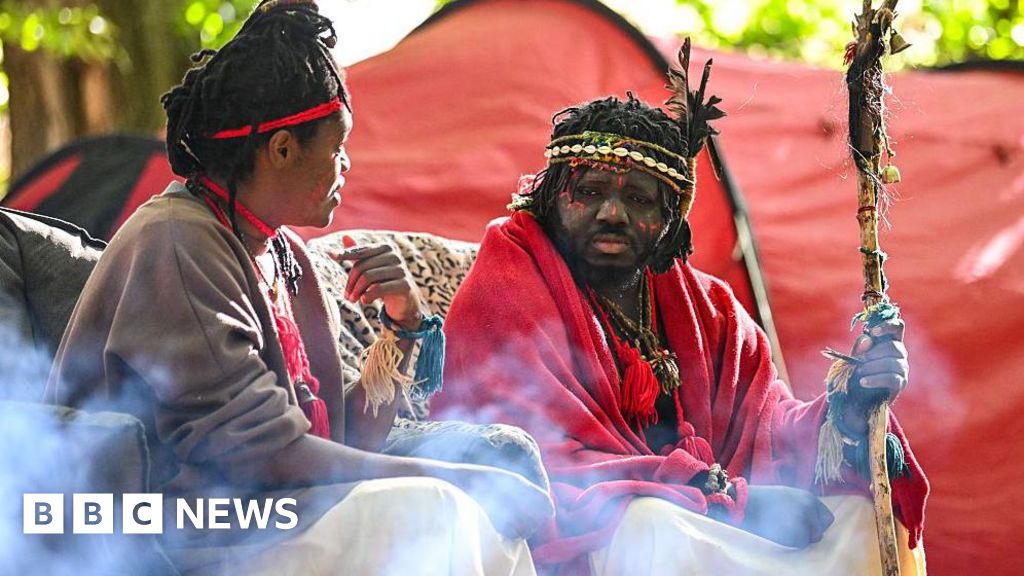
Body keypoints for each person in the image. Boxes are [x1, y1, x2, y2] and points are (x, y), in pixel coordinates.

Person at [45, 2, 551, 575]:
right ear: (282, 148)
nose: (346, 166)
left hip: (262, 508)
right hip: (145, 524)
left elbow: (349, 436)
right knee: (438, 504)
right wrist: (459, 475)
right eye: (336, 148)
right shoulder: (177, 242)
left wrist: (404, 326)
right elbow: (269, 454)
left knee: (488, 522)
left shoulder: (286, 257)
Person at [433, 44, 929, 575]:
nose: (612, 213)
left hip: (705, 513)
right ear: (553, 198)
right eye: (591, 191)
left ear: (671, 222)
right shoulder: (507, 284)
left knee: (856, 514)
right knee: (651, 521)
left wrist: (850, 406)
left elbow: (770, 432)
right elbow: (537, 459)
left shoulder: (710, 309)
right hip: (588, 533)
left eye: (640, 200)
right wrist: (724, 500)